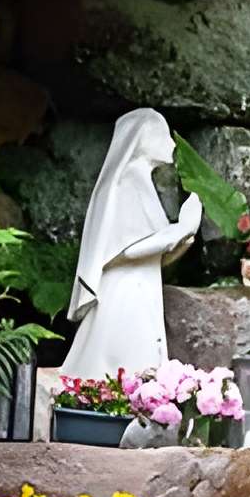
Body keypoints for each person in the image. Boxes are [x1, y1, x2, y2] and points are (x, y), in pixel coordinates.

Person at [62, 108, 200, 382]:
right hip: (125, 294)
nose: (172, 144)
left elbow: (151, 256)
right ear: (142, 138)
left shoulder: (141, 183)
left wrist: (184, 238)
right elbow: (128, 250)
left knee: (137, 370)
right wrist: (178, 230)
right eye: (163, 134)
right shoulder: (125, 184)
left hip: (141, 288)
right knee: (127, 370)